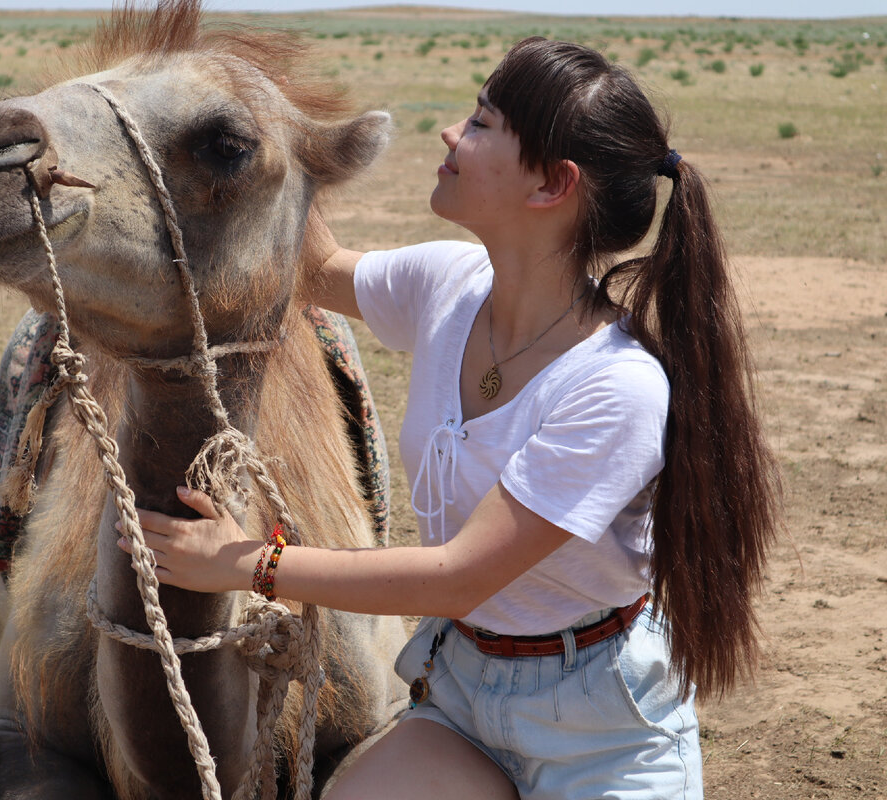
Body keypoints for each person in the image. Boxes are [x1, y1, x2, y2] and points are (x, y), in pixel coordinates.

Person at [120, 36, 782, 799]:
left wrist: (245, 563)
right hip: (461, 696)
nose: (450, 135)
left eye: (481, 124)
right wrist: (243, 130)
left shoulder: (614, 387)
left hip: (599, 731)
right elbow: (318, 268)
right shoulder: (451, 284)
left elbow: (456, 577)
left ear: (551, 186)